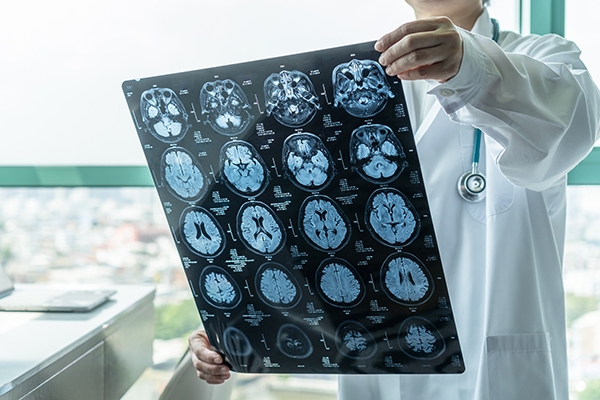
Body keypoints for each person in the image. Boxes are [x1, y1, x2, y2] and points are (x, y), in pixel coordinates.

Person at [188, 0, 600, 398]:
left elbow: (572, 127)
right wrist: (235, 320)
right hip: (375, 363)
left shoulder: (541, 57)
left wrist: (469, 68)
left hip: (492, 374)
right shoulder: (343, 84)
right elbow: (290, 227)